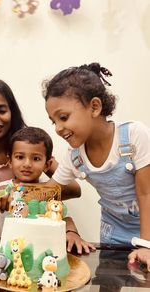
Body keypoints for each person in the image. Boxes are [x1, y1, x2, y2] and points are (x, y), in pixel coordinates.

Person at [43, 62, 150, 253]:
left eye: (64, 117)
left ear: (94, 107)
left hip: (148, 230)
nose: (58, 128)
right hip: (113, 233)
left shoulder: (134, 136)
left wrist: (146, 245)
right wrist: (7, 195)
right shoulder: (75, 157)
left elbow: (146, 194)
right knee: (108, 279)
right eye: (54, 122)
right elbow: (47, 191)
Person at [0, 79, 81, 225]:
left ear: (12, 112)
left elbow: (74, 189)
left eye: (2, 110)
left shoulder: (27, 146)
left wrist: (15, 192)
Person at [0, 126, 95, 253]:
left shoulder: (49, 192)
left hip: (40, 260)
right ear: (9, 161)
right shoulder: (1, 190)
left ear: (47, 165)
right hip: (7, 259)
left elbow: (64, 219)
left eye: (36, 158)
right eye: (20, 157)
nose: (27, 164)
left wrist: (72, 233)